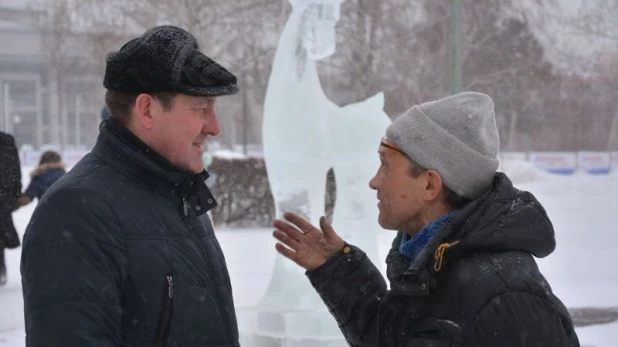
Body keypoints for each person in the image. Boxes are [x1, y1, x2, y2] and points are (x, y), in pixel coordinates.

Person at [273, 92, 580, 346]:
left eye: (385, 166)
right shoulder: (431, 263)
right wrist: (337, 270)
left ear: (430, 185)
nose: (374, 182)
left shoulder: (506, 299)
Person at [21, 25, 240, 346]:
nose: (214, 127)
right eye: (200, 108)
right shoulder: (76, 213)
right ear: (147, 110)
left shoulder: (178, 194)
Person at [0, 131, 22, 286]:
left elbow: (15, 168)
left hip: (4, 193)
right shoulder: (7, 141)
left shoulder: (6, 140)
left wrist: (15, 192)